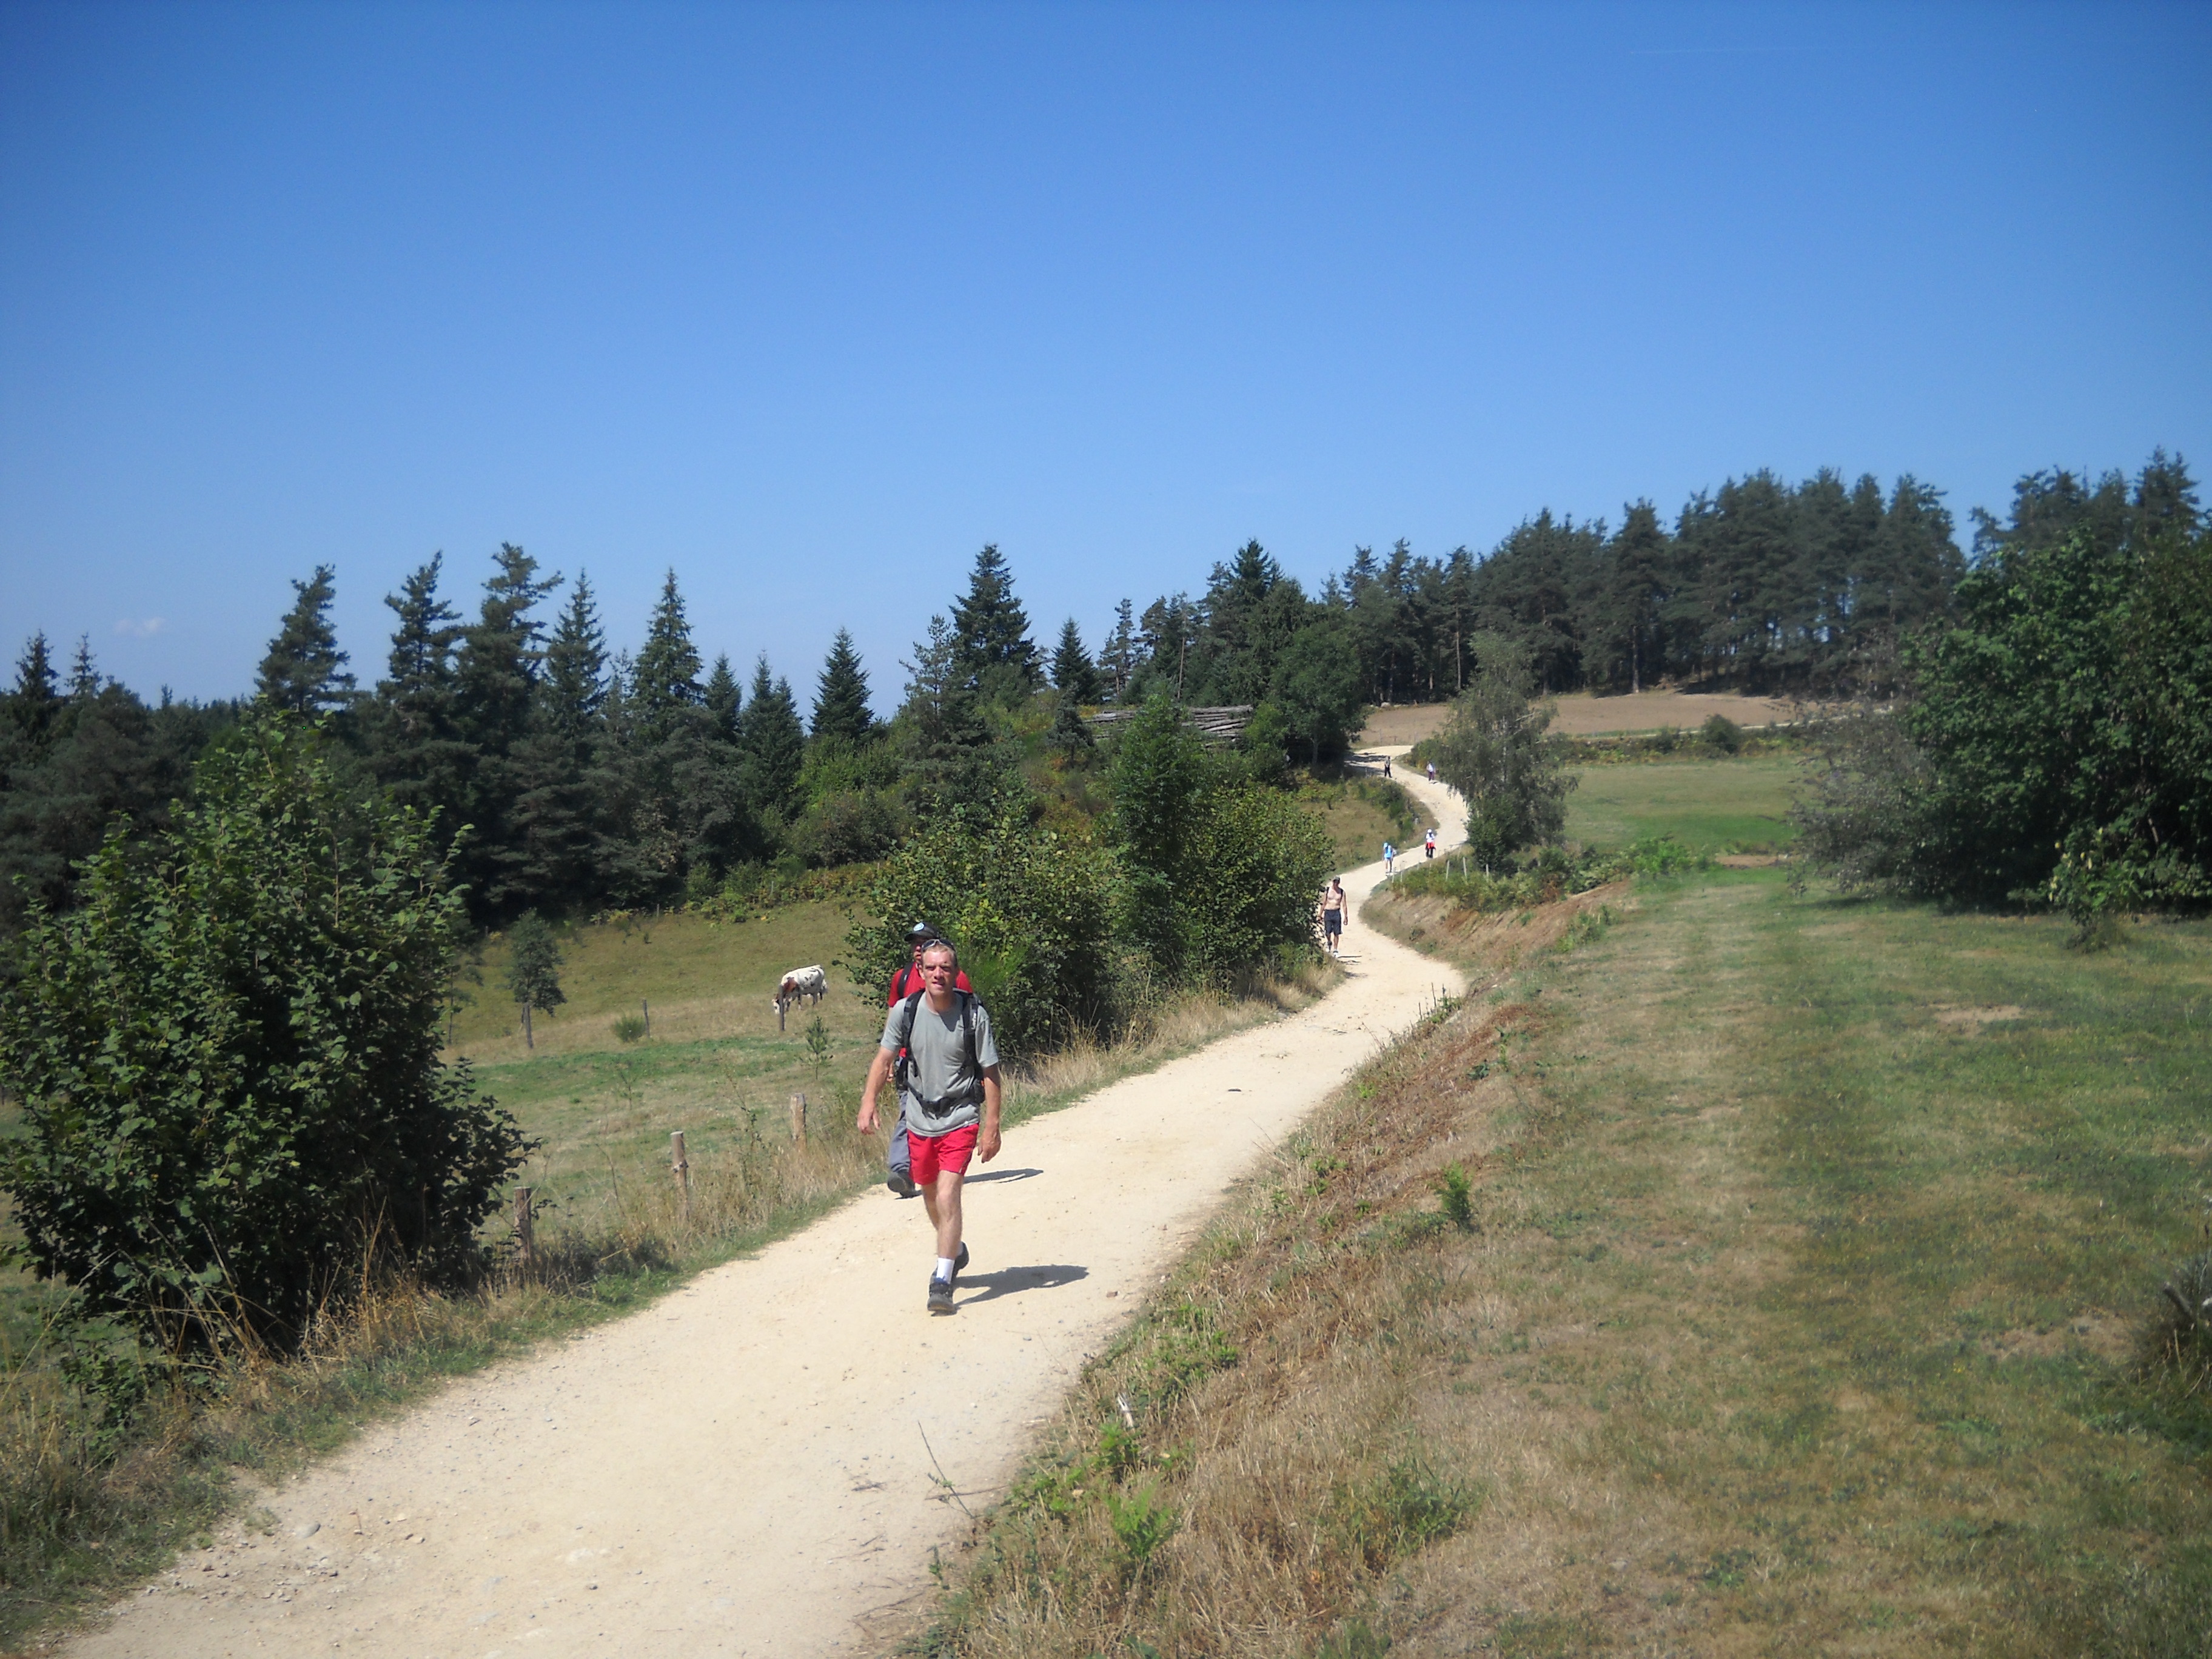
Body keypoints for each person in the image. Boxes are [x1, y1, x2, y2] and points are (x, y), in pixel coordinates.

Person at [857, 939, 1002, 1314]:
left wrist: (992, 1126)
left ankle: (941, 1281)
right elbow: (884, 1058)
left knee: (947, 1195)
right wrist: (868, 1101)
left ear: (956, 973)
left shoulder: (974, 1016)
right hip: (920, 1118)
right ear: (920, 972)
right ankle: (953, 1250)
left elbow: (990, 1072)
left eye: (946, 968)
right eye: (932, 968)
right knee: (928, 1191)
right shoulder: (904, 1012)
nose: (939, 974)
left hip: (960, 1116)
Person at [883, 922, 973, 1198]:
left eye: (923, 942)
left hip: (945, 1062)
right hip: (907, 1060)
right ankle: (901, 1169)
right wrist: (887, 1058)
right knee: (908, 1110)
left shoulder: (954, 978)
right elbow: (892, 1014)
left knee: (935, 1112)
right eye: (914, 944)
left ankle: (931, 1167)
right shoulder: (901, 977)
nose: (918, 948)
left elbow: (970, 1018)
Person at [1320, 876, 1346, 955]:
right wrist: (1320, 914)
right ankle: (1329, 942)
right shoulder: (1328, 891)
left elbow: (1344, 905)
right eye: (1335, 882)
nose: (1336, 883)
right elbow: (1324, 903)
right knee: (1327, 932)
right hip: (1328, 912)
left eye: (1337, 882)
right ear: (1333, 882)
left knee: (1337, 932)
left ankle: (1335, 949)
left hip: (1336, 912)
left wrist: (1346, 916)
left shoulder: (1341, 892)